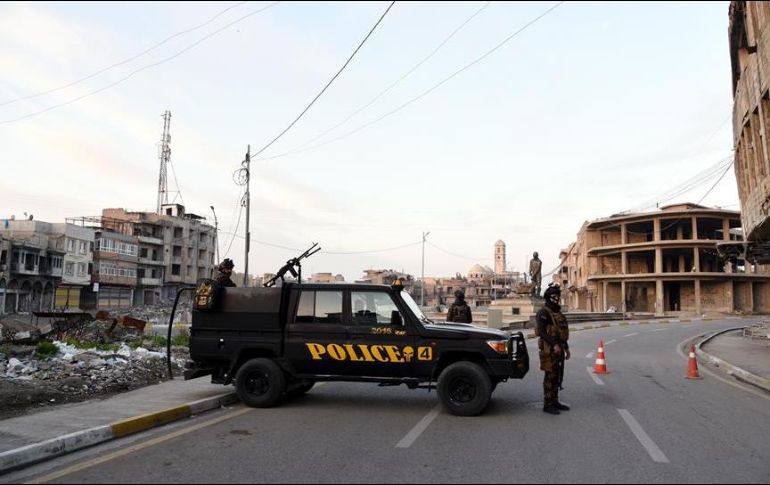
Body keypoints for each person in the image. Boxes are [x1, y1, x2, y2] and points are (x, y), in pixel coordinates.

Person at [536, 283, 571, 415]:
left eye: (558, 296)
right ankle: (548, 404)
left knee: (558, 376)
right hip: (549, 350)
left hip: (560, 350)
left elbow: (561, 332)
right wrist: (554, 344)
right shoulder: (543, 313)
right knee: (550, 376)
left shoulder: (557, 312)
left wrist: (566, 348)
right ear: (549, 297)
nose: (557, 298)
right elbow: (541, 332)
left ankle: (555, 401)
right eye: (554, 296)